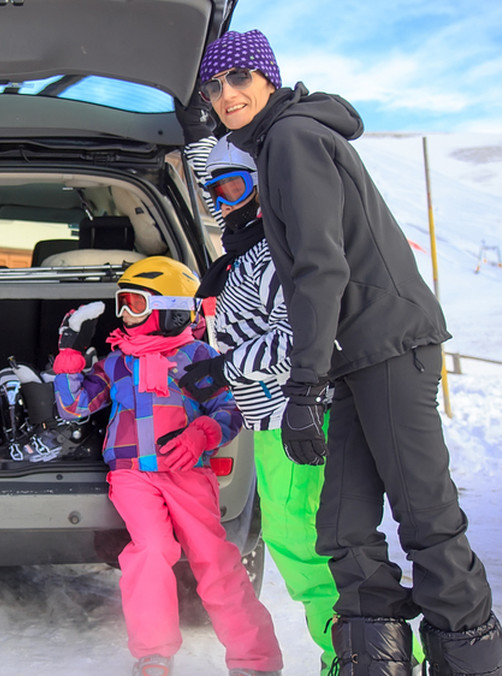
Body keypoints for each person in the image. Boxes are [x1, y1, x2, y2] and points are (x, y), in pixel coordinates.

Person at [196, 29, 502, 676]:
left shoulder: (291, 140)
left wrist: (304, 387)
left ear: (269, 80)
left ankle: (472, 665)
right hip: (348, 359)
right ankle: (374, 665)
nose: (227, 94)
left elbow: (318, 268)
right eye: (215, 85)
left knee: (427, 523)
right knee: (341, 530)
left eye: (240, 79)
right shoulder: (277, 143)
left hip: (386, 346)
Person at [53, 257, 283, 676]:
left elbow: (231, 408)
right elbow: (74, 407)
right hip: (132, 476)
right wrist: (70, 351)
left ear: (171, 308)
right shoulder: (118, 361)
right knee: (151, 552)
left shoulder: (200, 358)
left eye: (135, 304)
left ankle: (255, 659)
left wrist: (204, 433)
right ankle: (154, 652)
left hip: (187, 473)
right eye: (122, 303)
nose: (124, 314)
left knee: (214, 559)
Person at [176, 128, 342, 671]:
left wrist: (225, 366)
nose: (223, 201)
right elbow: (215, 185)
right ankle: (355, 653)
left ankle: (359, 656)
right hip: (267, 418)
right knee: (297, 544)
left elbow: (299, 339)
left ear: (265, 187)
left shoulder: (272, 254)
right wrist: (200, 134)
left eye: (236, 188)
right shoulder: (244, 246)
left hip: (291, 415)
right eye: (217, 190)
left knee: (307, 546)